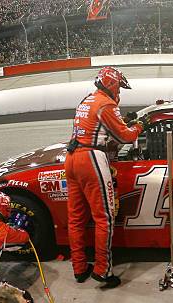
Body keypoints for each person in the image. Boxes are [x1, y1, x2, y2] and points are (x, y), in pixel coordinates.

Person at [65, 66, 144, 286]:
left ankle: (79, 268)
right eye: (119, 86)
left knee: (76, 219)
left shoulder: (87, 100)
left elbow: (97, 127)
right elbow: (127, 137)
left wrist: (123, 122)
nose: (119, 92)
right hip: (90, 159)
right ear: (112, 84)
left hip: (71, 158)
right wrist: (139, 125)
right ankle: (102, 271)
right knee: (105, 218)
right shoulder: (106, 104)